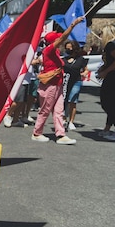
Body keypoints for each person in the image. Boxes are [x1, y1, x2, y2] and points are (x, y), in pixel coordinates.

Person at [31, 16, 84, 145]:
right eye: (58, 40)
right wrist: (72, 25)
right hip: (49, 85)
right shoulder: (49, 50)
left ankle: (61, 135)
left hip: (57, 85)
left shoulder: (52, 52)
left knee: (59, 111)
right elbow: (62, 38)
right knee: (45, 110)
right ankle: (37, 133)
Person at [96, 25, 115, 140]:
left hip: (114, 76)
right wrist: (105, 67)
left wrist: (106, 71)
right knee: (112, 104)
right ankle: (107, 129)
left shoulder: (111, 45)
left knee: (106, 103)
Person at [62, 40, 89, 131]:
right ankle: (63, 119)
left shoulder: (81, 59)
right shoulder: (64, 59)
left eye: (70, 48)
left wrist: (84, 73)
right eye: (67, 48)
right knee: (64, 100)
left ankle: (71, 121)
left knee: (72, 100)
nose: (68, 50)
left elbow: (86, 70)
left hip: (76, 81)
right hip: (65, 82)